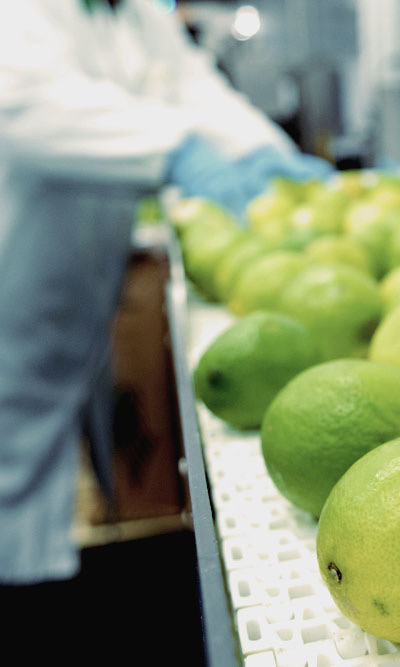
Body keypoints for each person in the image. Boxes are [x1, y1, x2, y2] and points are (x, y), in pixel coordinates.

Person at [0, 0, 332, 588]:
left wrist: (262, 150)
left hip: (72, 279)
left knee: (43, 452)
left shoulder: (137, 16)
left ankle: (43, 594)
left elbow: (192, 89)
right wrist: (178, 148)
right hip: (15, 271)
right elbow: (21, 100)